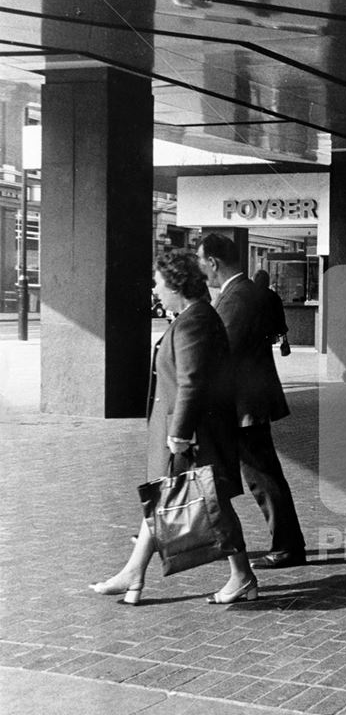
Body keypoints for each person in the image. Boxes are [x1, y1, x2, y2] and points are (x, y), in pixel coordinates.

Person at [89, 251, 258, 605]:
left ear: (176, 285)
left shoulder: (194, 320)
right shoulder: (191, 317)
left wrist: (179, 433)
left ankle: (242, 576)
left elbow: (192, 382)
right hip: (193, 432)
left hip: (192, 435)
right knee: (169, 499)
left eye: (158, 282)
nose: (154, 288)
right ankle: (134, 573)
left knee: (210, 503)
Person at [197, 234, 306, 569]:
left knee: (261, 475)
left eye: (202, 264)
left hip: (242, 404)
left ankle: (287, 546)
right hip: (252, 398)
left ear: (213, 262)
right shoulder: (252, 292)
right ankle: (285, 543)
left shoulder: (235, 298)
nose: (203, 272)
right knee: (258, 473)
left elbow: (219, 351)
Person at [252, 269, 291, 355]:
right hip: (268, 335)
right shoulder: (273, 296)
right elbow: (280, 319)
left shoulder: (249, 295)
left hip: (252, 336)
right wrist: (284, 339)